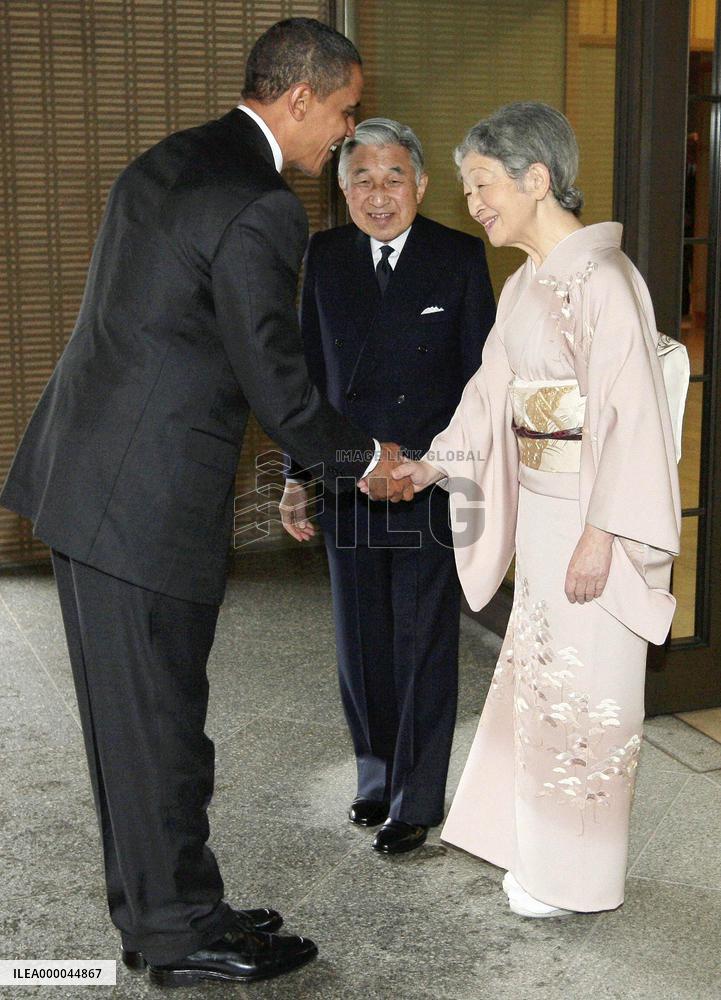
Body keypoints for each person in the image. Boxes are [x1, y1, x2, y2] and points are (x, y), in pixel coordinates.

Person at [0, 18, 414, 988]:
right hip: (141, 504)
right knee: (161, 726)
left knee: (133, 725)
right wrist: (363, 456)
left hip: (86, 483)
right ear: (300, 96)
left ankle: (163, 905)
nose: (345, 140)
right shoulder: (260, 204)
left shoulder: (167, 161)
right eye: (345, 115)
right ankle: (180, 930)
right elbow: (275, 381)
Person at [390, 102, 681, 916]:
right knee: (545, 688)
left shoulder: (606, 283)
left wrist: (602, 534)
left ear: (537, 179)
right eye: (469, 188)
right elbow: (489, 394)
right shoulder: (525, 283)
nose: (474, 203)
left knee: (589, 698)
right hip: (549, 517)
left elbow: (629, 418)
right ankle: (539, 854)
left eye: (482, 185)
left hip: (591, 521)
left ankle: (574, 878)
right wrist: (431, 465)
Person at [280, 118, 495, 854]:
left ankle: (415, 796)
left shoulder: (460, 258)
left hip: (428, 484)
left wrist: (431, 463)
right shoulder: (325, 256)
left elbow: (481, 385)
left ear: (422, 183)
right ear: (342, 191)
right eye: (362, 179)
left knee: (423, 641)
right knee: (360, 642)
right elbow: (305, 376)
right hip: (346, 481)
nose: (379, 195)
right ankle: (373, 772)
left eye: (393, 177)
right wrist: (296, 477)